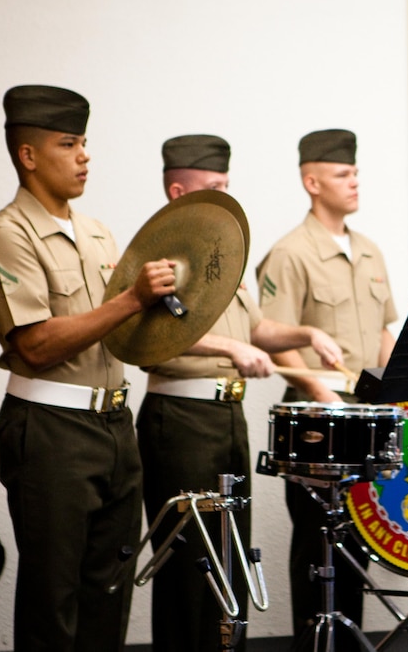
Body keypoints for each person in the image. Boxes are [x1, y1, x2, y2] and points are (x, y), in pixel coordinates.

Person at [0, 84, 177, 651]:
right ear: (28, 155)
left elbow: (119, 329)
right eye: (69, 143)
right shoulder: (6, 236)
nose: (85, 155)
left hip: (114, 425)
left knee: (109, 591)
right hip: (51, 431)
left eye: (86, 142)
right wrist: (132, 298)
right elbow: (35, 345)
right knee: (52, 599)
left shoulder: (98, 233)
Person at [137, 134, 343, 652]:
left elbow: (255, 331)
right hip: (181, 416)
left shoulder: (218, 255)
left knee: (231, 559)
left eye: (227, 186)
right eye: (212, 187)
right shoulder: (155, 259)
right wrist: (230, 349)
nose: (224, 197)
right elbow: (148, 337)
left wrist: (306, 335)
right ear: (179, 191)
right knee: (190, 563)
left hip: (225, 419)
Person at [254, 128, 397, 650]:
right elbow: (272, 337)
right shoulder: (291, 253)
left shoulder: (370, 251)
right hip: (317, 423)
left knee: (357, 549)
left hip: (364, 421)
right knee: (319, 548)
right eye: (342, 174)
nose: (354, 181)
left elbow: (384, 333)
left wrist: (400, 395)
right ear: (311, 182)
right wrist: (319, 387)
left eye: (356, 172)